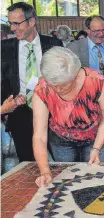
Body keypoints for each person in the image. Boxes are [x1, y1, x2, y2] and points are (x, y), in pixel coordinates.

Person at [32, 47, 104, 187]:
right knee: (66, 182)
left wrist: (96, 148)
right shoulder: (42, 89)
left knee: (95, 182)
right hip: (61, 141)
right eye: (54, 86)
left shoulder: (95, 80)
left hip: (95, 137)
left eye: (63, 86)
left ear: (75, 75)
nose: (58, 90)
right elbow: (39, 136)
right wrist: (44, 171)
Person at [1, 2, 62, 162]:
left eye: (16, 23)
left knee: (59, 163)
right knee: (27, 165)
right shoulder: (5, 48)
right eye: (10, 23)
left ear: (32, 21)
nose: (12, 28)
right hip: (20, 114)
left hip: (52, 114)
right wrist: (7, 105)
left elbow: (64, 78)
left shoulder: (54, 45)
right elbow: (2, 81)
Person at [68, 16, 104, 114]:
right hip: (86, 104)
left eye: (103, 30)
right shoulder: (74, 48)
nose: (101, 34)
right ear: (87, 30)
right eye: (97, 31)